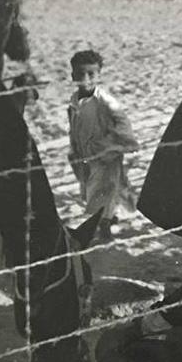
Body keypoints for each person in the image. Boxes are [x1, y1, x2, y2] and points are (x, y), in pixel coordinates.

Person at [67, 49, 139, 242]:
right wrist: (73, 148)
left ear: (99, 75)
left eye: (91, 74)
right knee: (92, 188)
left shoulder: (105, 101)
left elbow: (122, 121)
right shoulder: (74, 101)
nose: (86, 79)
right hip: (85, 154)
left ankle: (102, 226)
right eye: (80, 74)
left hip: (106, 154)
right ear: (73, 75)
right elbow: (73, 126)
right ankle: (108, 215)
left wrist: (118, 142)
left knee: (103, 189)